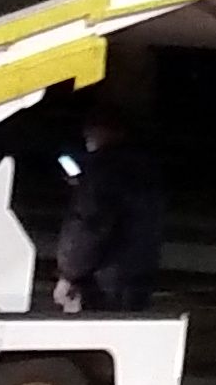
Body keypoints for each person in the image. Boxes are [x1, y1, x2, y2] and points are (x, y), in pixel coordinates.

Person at [46, 107, 165, 316]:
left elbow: (88, 227)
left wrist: (68, 276)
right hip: (137, 278)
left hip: (99, 284)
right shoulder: (145, 171)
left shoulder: (100, 172)